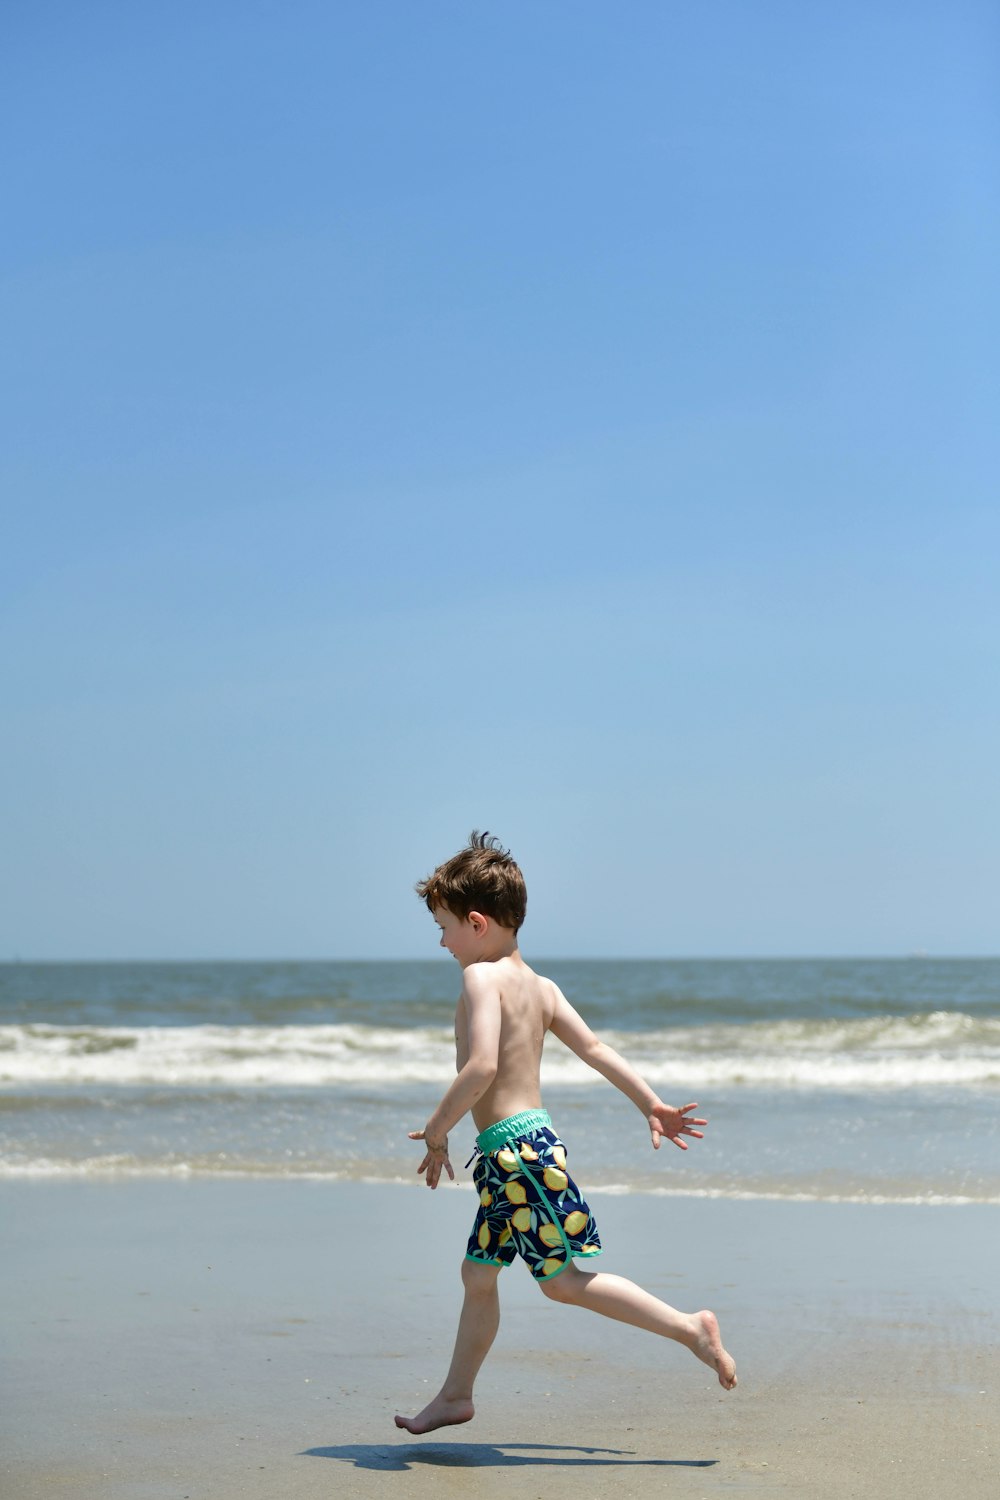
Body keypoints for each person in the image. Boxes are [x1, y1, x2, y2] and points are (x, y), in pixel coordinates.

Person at [395, 831, 737, 1436]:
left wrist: (437, 1130)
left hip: (516, 1155)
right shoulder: (542, 988)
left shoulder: (481, 979)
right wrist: (650, 1103)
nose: (441, 941)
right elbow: (596, 1049)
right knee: (479, 1274)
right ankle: (455, 1396)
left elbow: (481, 1068)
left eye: (444, 926)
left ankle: (689, 1328)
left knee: (562, 1283)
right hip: (516, 1154)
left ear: (477, 923)